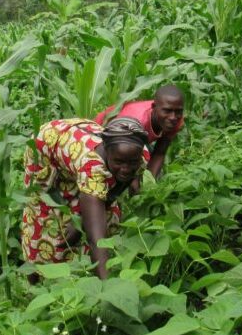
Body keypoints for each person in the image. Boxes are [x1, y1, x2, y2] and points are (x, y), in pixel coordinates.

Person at [21, 117, 149, 279]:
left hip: (77, 144)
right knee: (45, 217)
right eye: (119, 162)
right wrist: (107, 288)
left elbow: (118, 185)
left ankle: (86, 268)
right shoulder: (92, 166)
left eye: (132, 162)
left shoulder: (138, 151)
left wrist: (82, 218)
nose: (126, 169)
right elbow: (96, 240)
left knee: (103, 215)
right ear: (107, 151)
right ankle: (34, 277)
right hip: (45, 145)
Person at [95, 85, 185, 187]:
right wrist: (134, 179)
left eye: (179, 111)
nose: (173, 117)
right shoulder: (135, 120)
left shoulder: (176, 119)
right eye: (167, 111)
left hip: (134, 142)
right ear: (154, 107)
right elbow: (119, 154)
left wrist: (148, 185)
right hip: (103, 135)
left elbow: (160, 152)